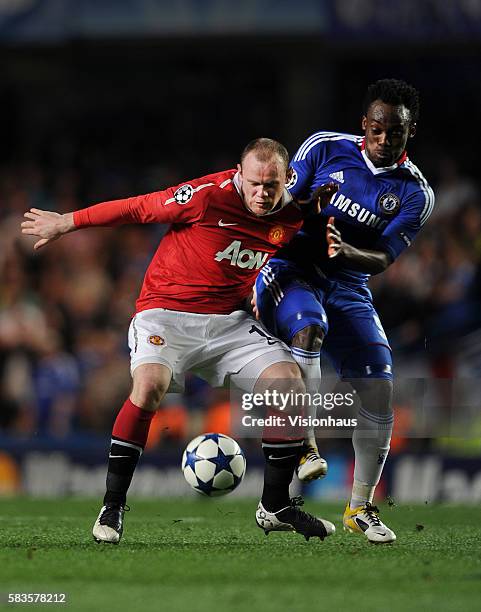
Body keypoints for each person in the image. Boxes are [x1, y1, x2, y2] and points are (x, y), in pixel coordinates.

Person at [21, 138, 337, 545]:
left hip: (228, 323)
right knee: (149, 385)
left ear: (285, 180)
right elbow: (137, 207)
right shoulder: (206, 197)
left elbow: (295, 233)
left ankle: (275, 506)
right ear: (239, 175)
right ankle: (112, 505)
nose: (261, 194)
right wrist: (67, 221)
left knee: (289, 384)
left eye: (271, 186)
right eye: (254, 183)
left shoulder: (293, 213)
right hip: (166, 315)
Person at [254, 79, 435, 543]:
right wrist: (301, 211)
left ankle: (360, 507)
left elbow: (384, 259)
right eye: (377, 129)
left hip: (349, 283)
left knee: (379, 385)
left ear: (409, 133)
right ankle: (305, 444)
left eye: (394, 132)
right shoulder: (323, 148)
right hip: (291, 268)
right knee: (309, 330)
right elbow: (276, 209)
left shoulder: (415, 193)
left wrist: (348, 251)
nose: (383, 139)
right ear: (364, 125)